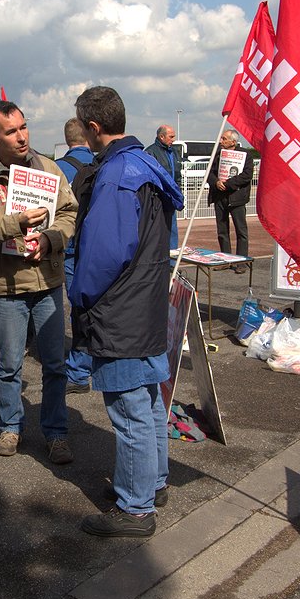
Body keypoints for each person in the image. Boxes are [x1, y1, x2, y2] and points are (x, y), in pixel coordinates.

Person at [69, 86, 182, 537]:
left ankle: (136, 508)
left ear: (94, 128)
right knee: (150, 400)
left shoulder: (117, 174)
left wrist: (79, 296)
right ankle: (151, 484)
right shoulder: (148, 163)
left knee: (130, 409)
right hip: (147, 298)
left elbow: (101, 256)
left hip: (120, 309)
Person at [0, 100, 78, 463]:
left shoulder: (49, 168)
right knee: (9, 365)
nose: (22, 136)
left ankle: (56, 434)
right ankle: (11, 426)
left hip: (46, 282)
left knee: (55, 365)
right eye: (11, 131)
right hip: (6, 289)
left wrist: (51, 238)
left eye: (23, 127)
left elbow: (69, 213)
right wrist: (16, 223)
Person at [55, 118, 94, 394]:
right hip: (95, 247)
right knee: (91, 306)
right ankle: (87, 363)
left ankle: (77, 371)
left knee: (68, 305)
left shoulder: (55, 169)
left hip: (65, 247)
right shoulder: (102, 164)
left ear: (67, 139)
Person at [207, 129, 254, 271]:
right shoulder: (217, 155)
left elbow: (246, 175)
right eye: (221, 138)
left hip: (237, 198)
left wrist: (228, 184)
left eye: (224, 139)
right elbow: (210, 173)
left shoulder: (246, 155)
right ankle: (225, 260)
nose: (221, 141)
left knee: (241, 231)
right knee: (222, 230)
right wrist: (216, 182)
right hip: (220, 197)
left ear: (233, 141)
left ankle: (241, 262)